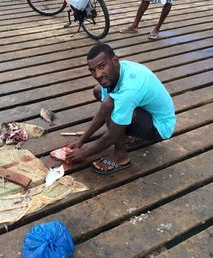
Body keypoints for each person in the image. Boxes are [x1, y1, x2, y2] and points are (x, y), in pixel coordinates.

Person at [66, 43, 176, 174]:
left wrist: (84, 153)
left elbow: (112, 135)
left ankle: (120, 156)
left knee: (111, 105)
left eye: (102, 66)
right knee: (99, 92)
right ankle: (130, 135)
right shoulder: (115, 73)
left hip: (160, 127)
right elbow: (103, 111)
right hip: (144, 113)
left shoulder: (130, 87)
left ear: (115, 61)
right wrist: (82, 140)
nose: (98, 75)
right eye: (92, 70)